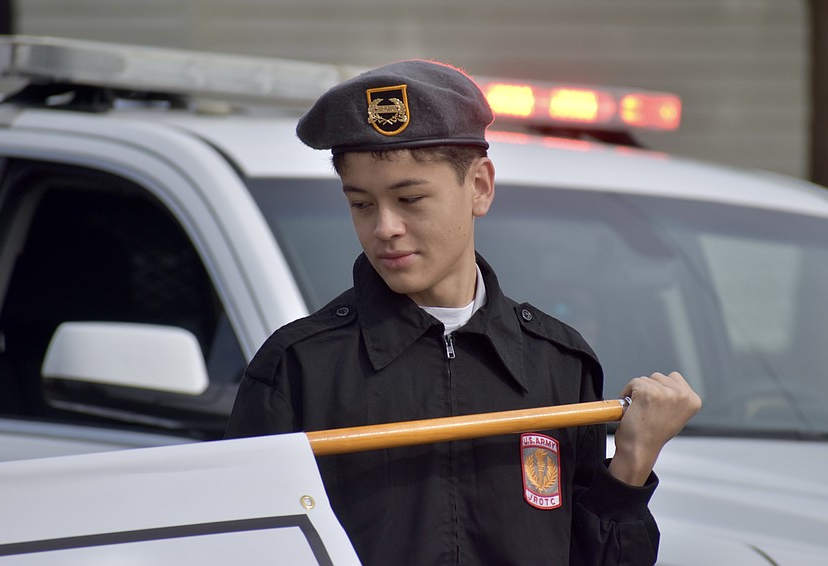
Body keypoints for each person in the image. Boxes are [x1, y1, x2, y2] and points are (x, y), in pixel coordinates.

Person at [225, 59, 702, 565]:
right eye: (361, 204)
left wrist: (631, 461)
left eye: (410, 198)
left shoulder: (557, 364)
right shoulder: (299, 368)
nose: (384, 227)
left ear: (479, 187)